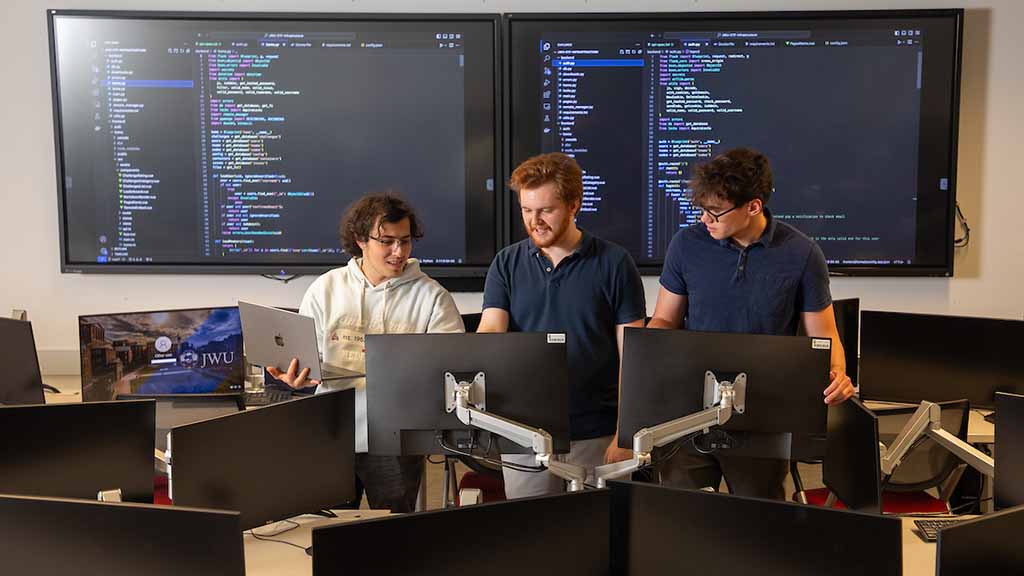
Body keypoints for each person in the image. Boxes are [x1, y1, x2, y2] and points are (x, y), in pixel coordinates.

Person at [646, 147, 856, 500]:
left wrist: (837, 375)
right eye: (702, 209)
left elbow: (824, 335)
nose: (704, 220)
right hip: (688, 413)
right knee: (682, 517)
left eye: (715, 212)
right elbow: (666, 317)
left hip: (764, 418)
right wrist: (646, 354)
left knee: (760, 521)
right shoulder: (686, 245)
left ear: (753, 206)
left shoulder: (801, 253)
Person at [268, 192, 464, 512]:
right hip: (331, 432)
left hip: (396, 437)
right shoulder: (325, 289)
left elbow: (454, 369)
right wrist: (297, 378)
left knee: (392, 535)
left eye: (405, 240)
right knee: (326, 528)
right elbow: (303, 359)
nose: (398, 252)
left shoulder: (432, 297)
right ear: (360, 239)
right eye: (387, 241)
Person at [477, 152, 647, 498]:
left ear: (574, 205)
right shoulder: (506, 263)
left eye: (546, 210)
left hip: (598, 432)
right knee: (531, 538)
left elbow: (633, 354)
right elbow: (491, 335)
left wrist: (625, 433)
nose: (534, 220)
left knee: (598, 536)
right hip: (526, 432)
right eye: (526, 210)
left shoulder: (615, 263)